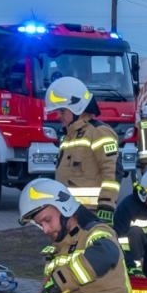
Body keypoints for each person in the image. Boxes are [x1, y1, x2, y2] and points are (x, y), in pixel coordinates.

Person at [49, 77, 121, 222]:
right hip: (69, 212)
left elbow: (112, 171)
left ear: (77, 108)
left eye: (62, 111)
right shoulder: (68, 137)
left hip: (92, 215)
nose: (58, 116)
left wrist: (106, 206)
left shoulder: (99, 132)